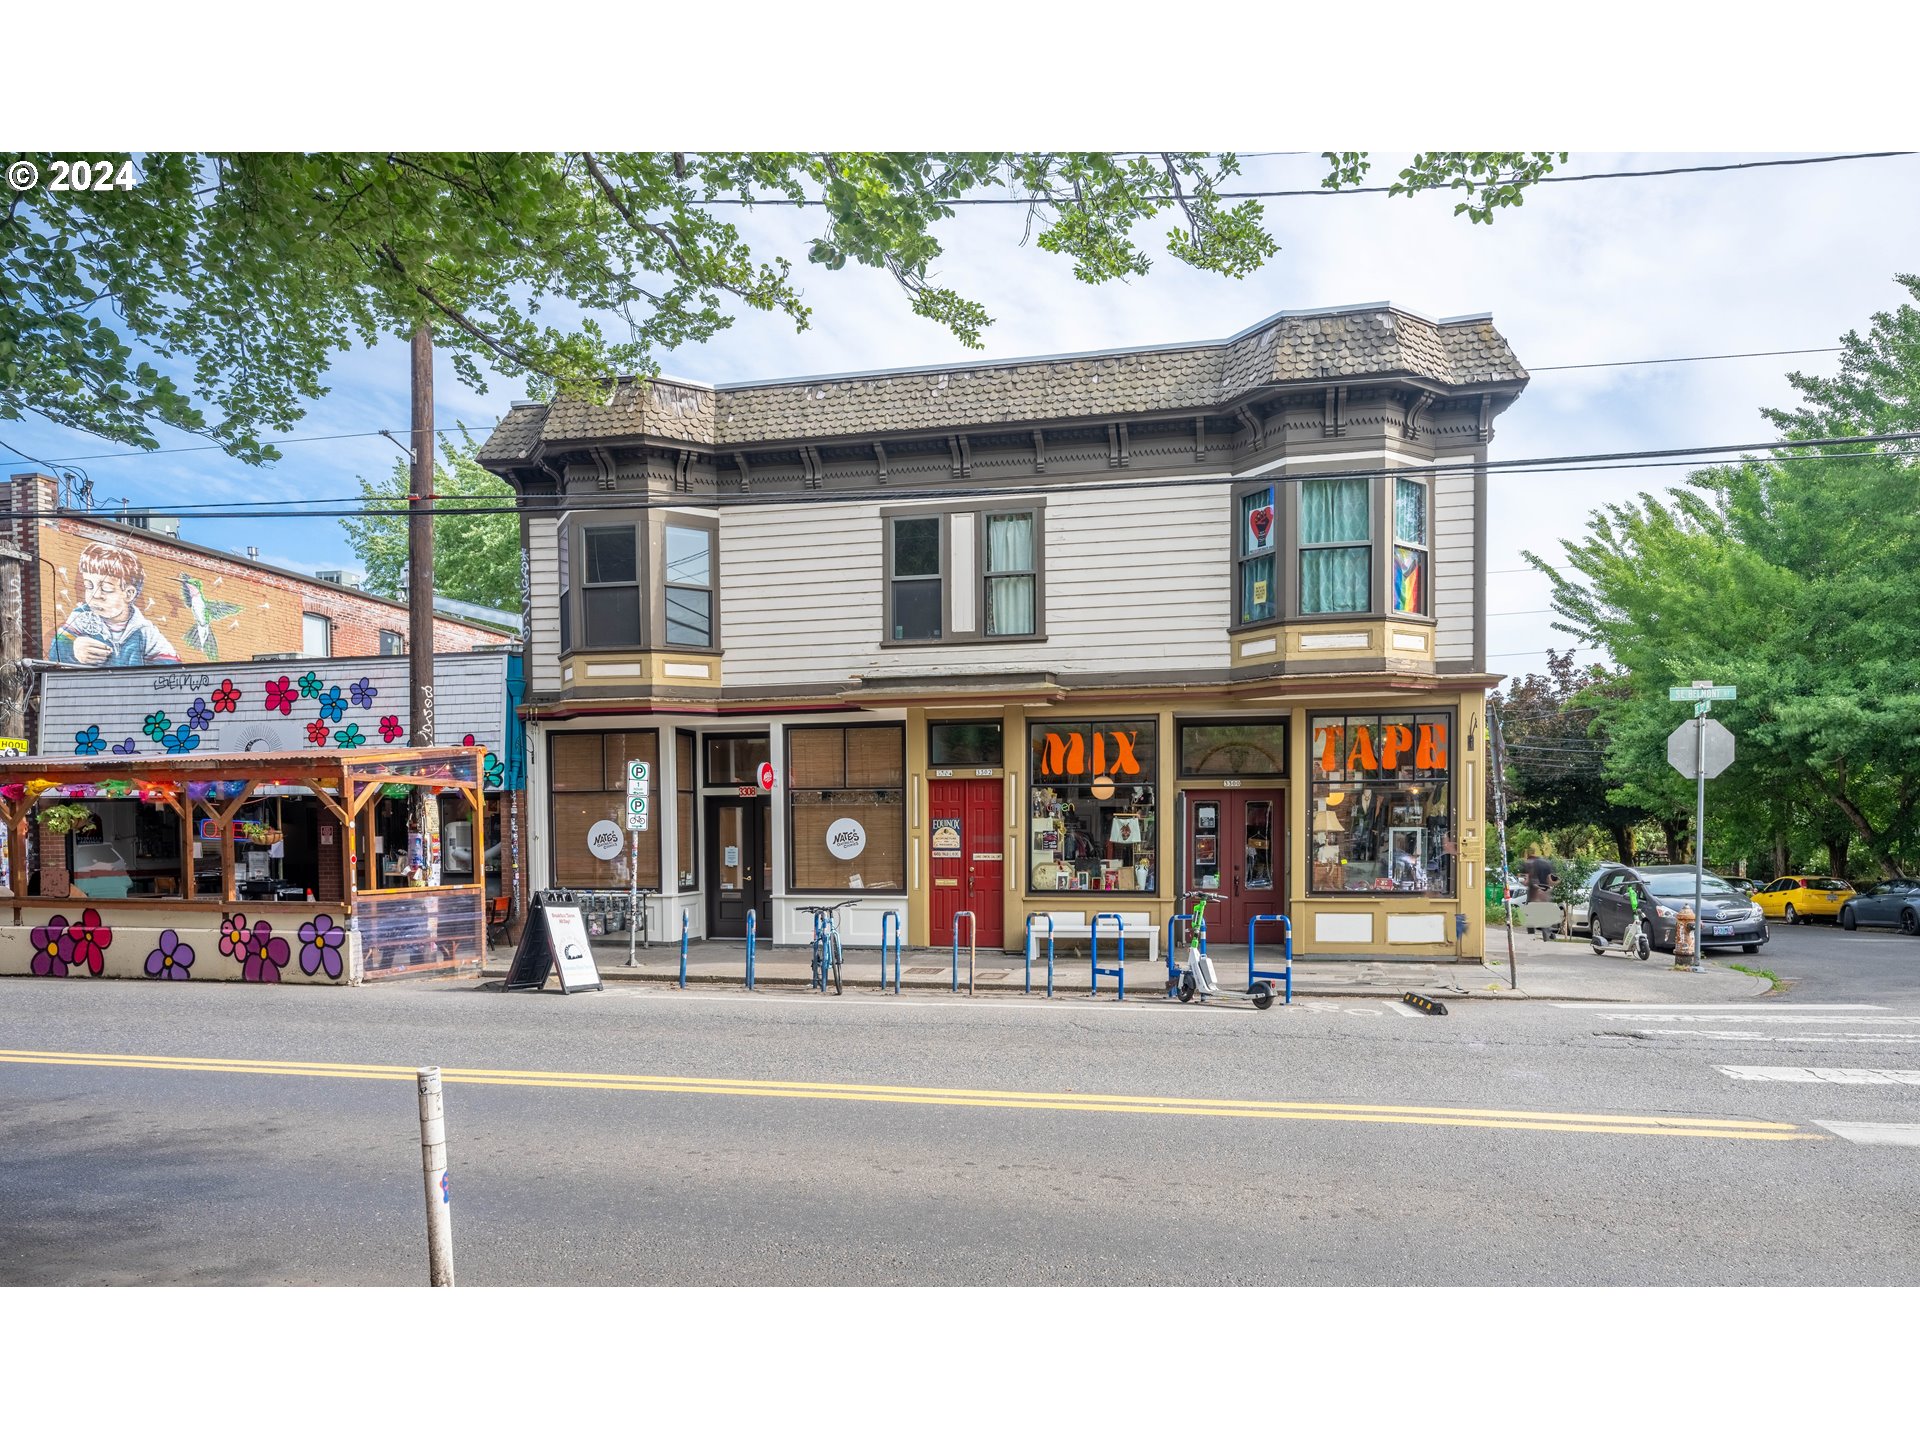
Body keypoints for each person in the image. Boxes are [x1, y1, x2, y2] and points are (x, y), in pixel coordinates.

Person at [49, 543, 180, 667]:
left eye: (106, 588)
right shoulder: (81, 618)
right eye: (88, 586)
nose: (95, 594)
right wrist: (74, 649)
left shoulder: (144, 631)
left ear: (129, 594)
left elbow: (172, 665)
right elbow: (55, 652)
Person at [1523, 845, 1559, 937]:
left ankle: (1531, 933)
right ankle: (1546, 932)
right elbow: (1550, 879)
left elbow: (1527, 880)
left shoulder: (1530, 863)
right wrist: (1550, 887)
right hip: (1545, 891)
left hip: (1534, 891)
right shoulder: (1548, 863)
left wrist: (1524, 883)